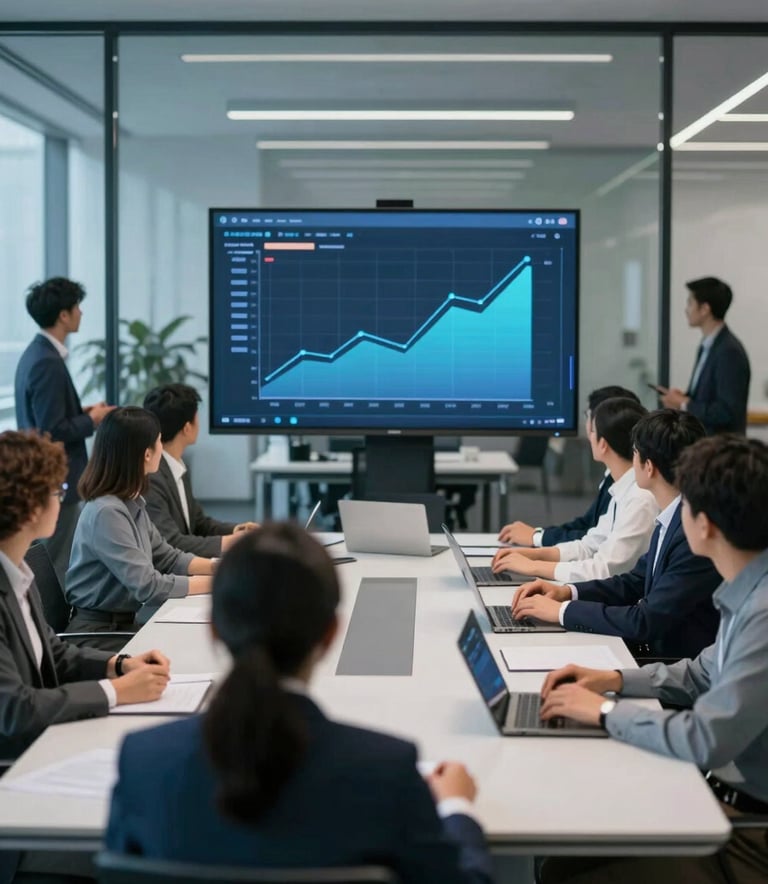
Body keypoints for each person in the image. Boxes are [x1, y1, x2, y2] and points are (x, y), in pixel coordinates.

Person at [105, 523, 494, 883]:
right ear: (331, 634)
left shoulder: (142, 761)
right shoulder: (388, 770)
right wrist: (456, 807)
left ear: (215, 629)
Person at [537, 435, 768, 884]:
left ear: (705, 525)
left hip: (748, 832)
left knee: (565, 867)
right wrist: (614, 680)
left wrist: (605, 713)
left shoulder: (760, 613)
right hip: (721, 795)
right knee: (570, 842)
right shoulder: (747, 589)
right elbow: (701, 672)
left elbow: (707, 739)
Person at [511, 410, 721, 660]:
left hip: (665, 658)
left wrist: (562, 612)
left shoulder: (691, 533)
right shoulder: (673, 514)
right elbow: (635, 581)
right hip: (655, 646)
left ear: (649, 467)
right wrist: (568, 592)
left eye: (635, 453)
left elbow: (645, 621)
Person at [65, 407, 214, 649]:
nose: (162, 449)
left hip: (120, 627)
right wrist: (216, 582)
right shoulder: (107, 512)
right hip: (98, 636)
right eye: (159, 441)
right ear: (147, 454)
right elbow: (149, 586)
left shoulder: (129, 502)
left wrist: (219, 567)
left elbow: (168, 558)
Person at [14, 277, 115, 583]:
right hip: (60, 478)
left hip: (51, 477)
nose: (81, 313)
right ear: (63, 315)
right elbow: (52, 430)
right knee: (56, 564)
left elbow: (47, 416)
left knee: (52, 558)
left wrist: (83, 412)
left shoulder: (37, 353)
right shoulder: (47, 361)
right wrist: (93, 420)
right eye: (77, 307)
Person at [492, 398, 658, 582]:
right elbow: (590, 546)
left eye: (592, 431)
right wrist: (533, 555)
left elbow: (604, 569)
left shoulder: (640, 499)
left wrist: (534, 566)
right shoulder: (621, 490)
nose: (589, 436)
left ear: (603, 444)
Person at [498, 386, 641, 547]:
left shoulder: (636, 494)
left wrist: (537, 539)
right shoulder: (615, 479)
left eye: (588, 417)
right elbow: (591, 531)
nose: (588, 429)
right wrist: (538, 536)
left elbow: (596, 543)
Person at [142, 383, 258, 556]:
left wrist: (236, 531)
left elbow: (198, 523)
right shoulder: (152, 478)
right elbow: (171, 542)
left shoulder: (176, 466)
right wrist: (231, 542)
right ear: (187, 428)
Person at [659, 276, 750, 435]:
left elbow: (726, 411)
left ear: (705, 309)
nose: (686, 310)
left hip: (720, 446)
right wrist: (684, 398)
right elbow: (707, 398)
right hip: (704, 443)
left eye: (690, 303)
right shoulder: (708, 346)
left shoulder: (729, 351)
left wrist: (685, 404)